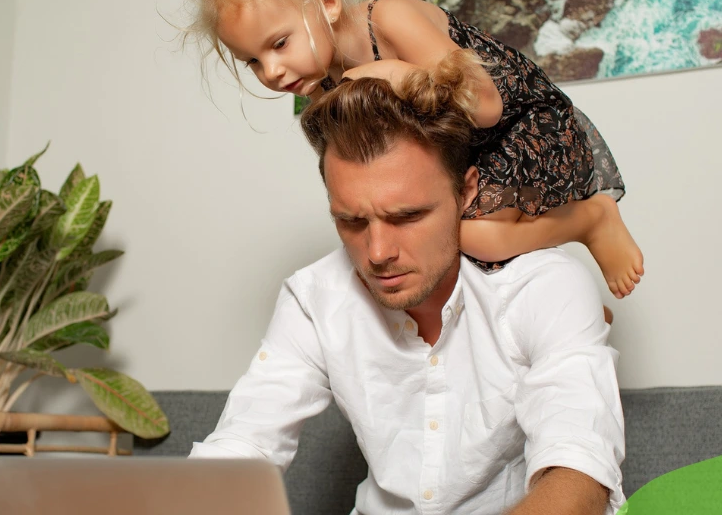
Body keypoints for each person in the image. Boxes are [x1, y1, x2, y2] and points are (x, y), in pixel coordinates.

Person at [188, 65, 626, 514]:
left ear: (467, 192)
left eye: (407, 216)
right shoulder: (314, 300)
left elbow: (579, 469)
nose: (377, 253)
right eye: (351, 221)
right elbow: (245, 444)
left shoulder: (544, 286)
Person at [181, 0, 644, 299]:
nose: (273, 72)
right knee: (436, 246)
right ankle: (564, 311)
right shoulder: (323, 79)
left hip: (521, 125)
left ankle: (592, 219)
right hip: (465, 154)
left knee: (477, 237)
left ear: (326, 2)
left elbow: (486, 107)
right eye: (254, 62)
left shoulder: (390, 20)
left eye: (279, 44)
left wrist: (399, 72)